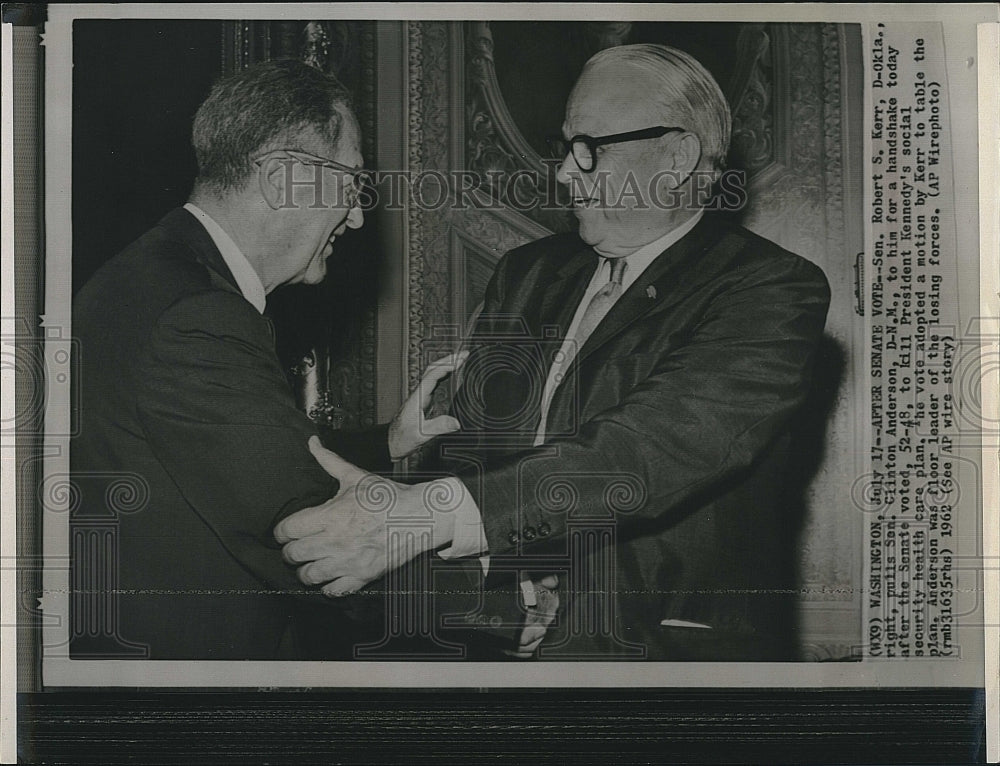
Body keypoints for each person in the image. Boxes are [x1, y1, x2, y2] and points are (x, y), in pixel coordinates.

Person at [277, 43, 831, 661]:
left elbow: (650, 447)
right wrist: (513, 592)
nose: (566, 172)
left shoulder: (771, 288)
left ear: (676, 155)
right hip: (500, 643)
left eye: (591, 148)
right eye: (566, 147)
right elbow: (475, 456)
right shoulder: (529, 273)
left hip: (662, 663)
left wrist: (428, 516)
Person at [70, 59, 471, 660]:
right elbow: (305, 533)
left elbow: (237, 455)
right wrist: (502, 587)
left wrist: (388, 441)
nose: (358, 216)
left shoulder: (151, 276)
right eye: (351, 184)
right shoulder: (198, 315)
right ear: (283, 177)